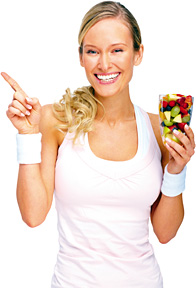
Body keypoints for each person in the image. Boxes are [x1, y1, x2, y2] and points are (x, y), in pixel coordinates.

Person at [1, 1, 195, 287]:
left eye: (117, 50)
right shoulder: (55, 120)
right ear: (81, 57)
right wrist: (28, 135)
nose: (104, 64)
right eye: (92, 51)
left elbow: (165, 233)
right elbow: (33, 215)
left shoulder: (157, 129)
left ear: (138, 54)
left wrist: (177, 169)